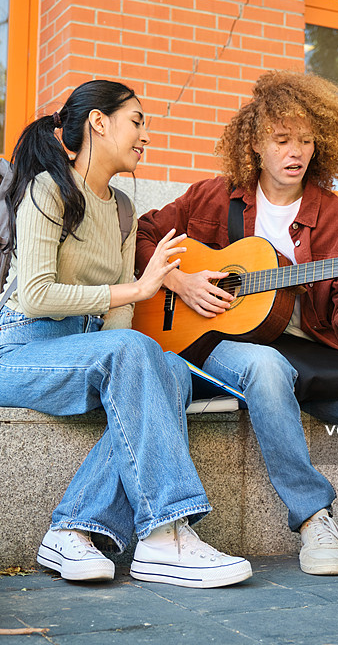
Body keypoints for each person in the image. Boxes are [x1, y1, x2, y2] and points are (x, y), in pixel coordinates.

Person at [135, 70, 338, 593]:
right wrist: (179, 280)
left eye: (306, 141)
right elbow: (146, 234)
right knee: (265, 364)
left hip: (315, 358)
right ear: (255, 145)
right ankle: (313, 519)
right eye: (283, 140)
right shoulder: (213, 199)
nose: (296, 152)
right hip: (221, 347)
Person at [0, 79, 252, 589]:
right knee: (138, 351)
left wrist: (130, 303)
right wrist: (137, 290)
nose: (145, 136)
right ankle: (163, 532)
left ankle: (71, 530)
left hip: (86, 345)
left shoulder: (121, 210)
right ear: (99, 122)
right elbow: (36, 296)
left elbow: (117, 328)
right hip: (21, 348)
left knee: (174, 371)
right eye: (136, 121)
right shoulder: (48, 191)